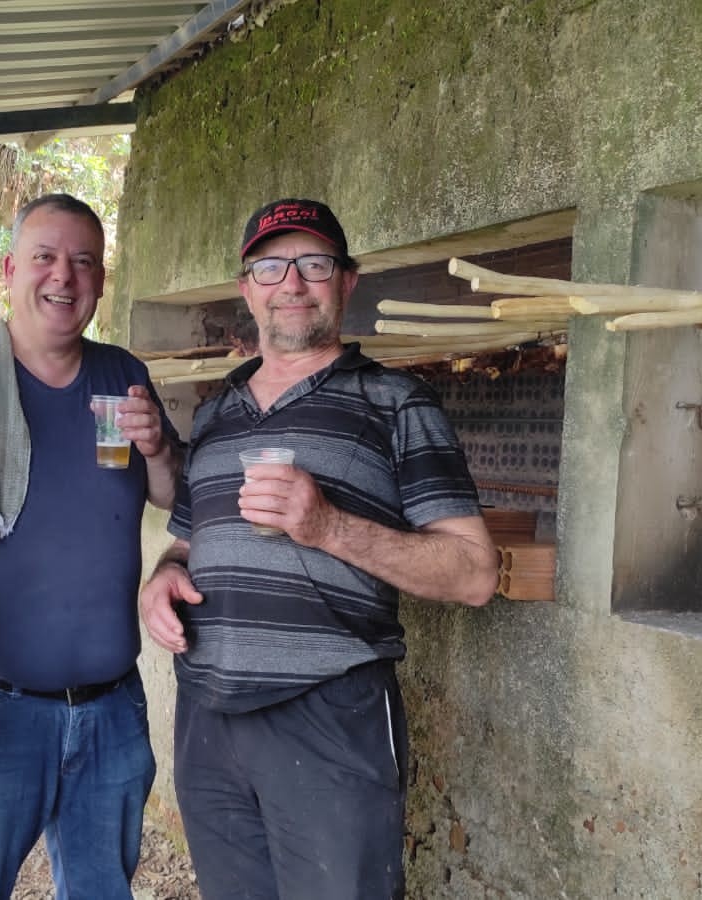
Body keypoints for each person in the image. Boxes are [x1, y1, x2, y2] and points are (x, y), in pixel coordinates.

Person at [138, 198, 500, 900]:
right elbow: (185, 541)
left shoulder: (397, 403)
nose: (292, 283)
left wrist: (328, 526)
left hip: (330, 713)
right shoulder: (216, 412)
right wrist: (161, 579)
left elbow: (474, 573)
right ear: (247, 288)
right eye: (271, 267)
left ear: (347, 281)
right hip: (207, 714)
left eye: (314, 264)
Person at [0, 193, 180, 900]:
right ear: (10, 269)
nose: (63, 277)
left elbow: (171, 493)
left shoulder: (121, 374)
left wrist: (158, 447)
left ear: (101, 280)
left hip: (111, 712)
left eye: (83, 262)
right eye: (44, 257)